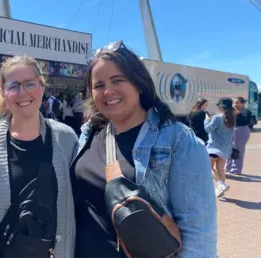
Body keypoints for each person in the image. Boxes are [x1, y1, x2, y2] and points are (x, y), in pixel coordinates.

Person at [72, 41, 216, 257]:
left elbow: (198, 234)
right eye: (99, 85)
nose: (108, 91)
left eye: (117, 80)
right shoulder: (88, 134)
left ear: (139, 83)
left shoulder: (177, 140)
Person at [0, 55, 78, 258]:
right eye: (13, 86)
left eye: (30, 84)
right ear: (3, 91)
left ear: (42, 87)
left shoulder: (66, 139)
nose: (23, 93)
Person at [205, 97, 236, 198]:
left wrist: (207, 120)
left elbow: (208, 129)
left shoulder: (217, 117)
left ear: (221, 107)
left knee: (207, 167)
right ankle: (221, 191)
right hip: (225, 149)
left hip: (214, 147)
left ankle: (220, 184)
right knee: (220, 169)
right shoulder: (232, 117)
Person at [225, 97, 252, 175]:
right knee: (229, 149)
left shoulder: (246, 111)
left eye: (237, 102)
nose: (235, 104)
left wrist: (238, 114)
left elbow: (246, 120)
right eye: (234, 102)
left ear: (242, 103)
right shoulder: (231, 111)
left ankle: (236, 169)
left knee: (239, 150)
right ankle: (228, 168)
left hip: (241, 130)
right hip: (231, 129)